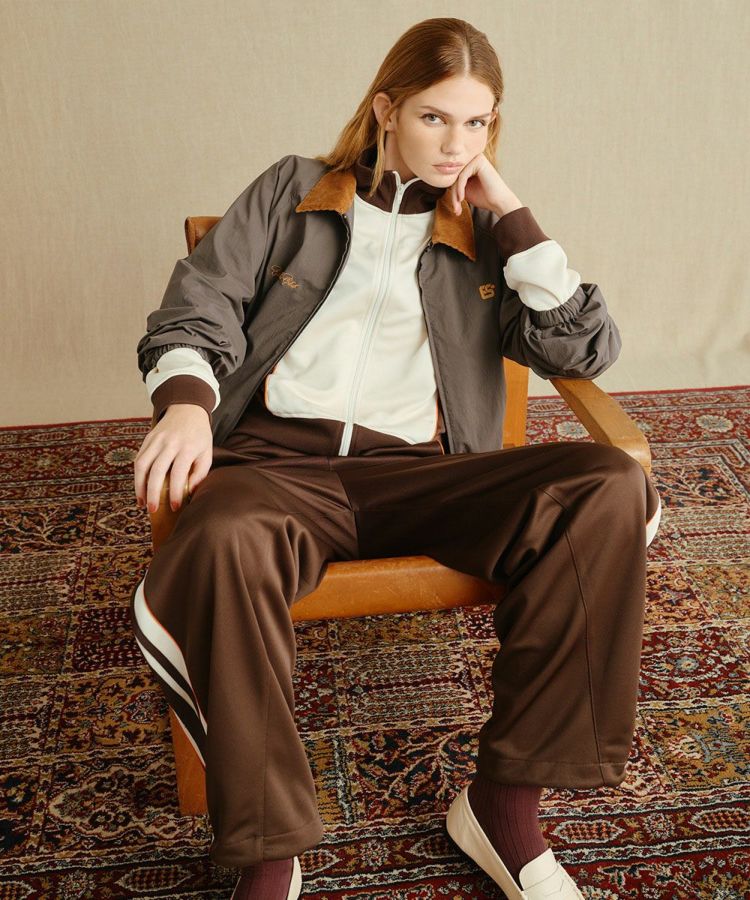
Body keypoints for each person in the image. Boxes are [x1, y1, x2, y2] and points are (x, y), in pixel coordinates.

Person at [130, 16, 661, 900]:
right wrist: (188, 403)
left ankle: (503, 807)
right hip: (275, 473)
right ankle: (268, 852)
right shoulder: (294, 190)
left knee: (607, 482)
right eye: (434, 118)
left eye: (477, 122)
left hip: (424, 475)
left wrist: (515, 221)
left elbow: (582, 350)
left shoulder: (485, 228)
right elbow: (197, 305)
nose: (457, 144)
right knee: (219, 536)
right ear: (386, 109)